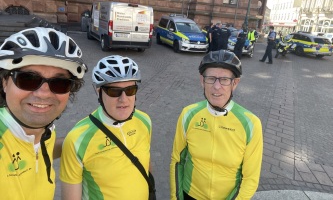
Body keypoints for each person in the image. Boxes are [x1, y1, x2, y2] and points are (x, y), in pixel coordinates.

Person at [0, 27, 87, 199]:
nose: (43, 93)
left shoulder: (46, 134)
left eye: (59, 82)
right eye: (28, 79)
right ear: (4, 82)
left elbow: (35, 150)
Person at [170, 50, 263, 200]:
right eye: (211, 78)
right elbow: (177, 161)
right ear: (202, 81)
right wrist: (176, 197)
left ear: (235, 83)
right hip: (190, 194)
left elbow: (250, 178)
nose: (217, 86)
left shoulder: (250, 123)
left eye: (224, 79)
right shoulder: (188, 114)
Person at [60, 55, 152, 199]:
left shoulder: (144, 121)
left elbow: (146, 164)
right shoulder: (77, 139)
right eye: (114, 91)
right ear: (99, 91)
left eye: (130, 90)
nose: (124, 99)